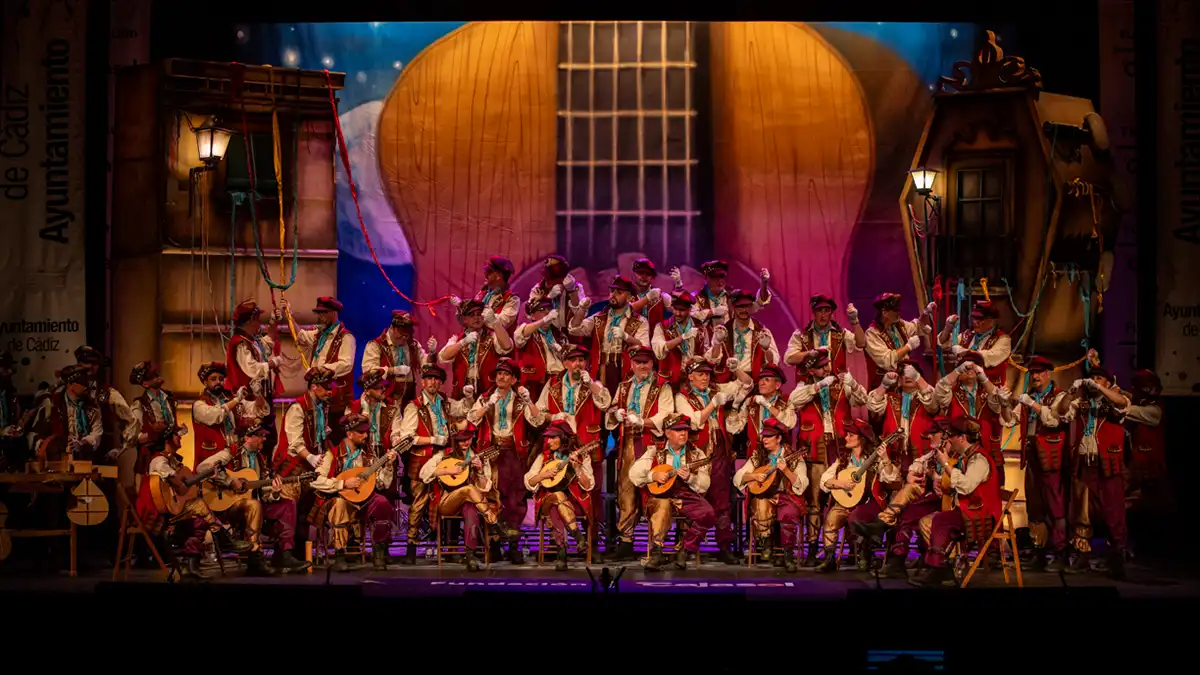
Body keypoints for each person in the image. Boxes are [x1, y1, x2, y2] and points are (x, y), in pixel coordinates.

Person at [789, 349, 869, 565]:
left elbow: (863, 400)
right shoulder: (803, 386)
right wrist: (819, 385)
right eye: (822, 366)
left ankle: (852, 548)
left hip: (840, 446)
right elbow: (794, 400)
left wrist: (852, 383)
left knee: (848, 497)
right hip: (816, 447)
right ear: (811, 370)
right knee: (815, 502)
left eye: (827, 365)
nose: (827, 369)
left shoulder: (841, 382)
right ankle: (813, 548)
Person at [530, 345, 612, 555]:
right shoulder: (553, 384)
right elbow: (538, 415)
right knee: (555, 490)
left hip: (587, 446)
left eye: (581, 360)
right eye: (573, 360)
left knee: (590, 495)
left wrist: (591, 384)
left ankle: (591, 544)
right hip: (559, 448)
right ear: (565, 363)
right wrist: (553, 418)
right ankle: (559, 545)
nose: (578, 364)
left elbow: (605, 403)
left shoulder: (593, 384)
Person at [135, 433, 252, 580]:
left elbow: (186, 486)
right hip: (157, 510)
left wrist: (207, 475)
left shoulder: (172, 460)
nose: (180, 438)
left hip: (171, 508)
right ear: (167, 440)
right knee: (200, 506)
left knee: (199, 518)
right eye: (177, 436)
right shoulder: (159, 460)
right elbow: (179, 484)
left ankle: (191, 564)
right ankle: (222, 538)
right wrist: (183, 484)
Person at [203, 418, 311, 573]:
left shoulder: (262, 460)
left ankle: (283, 554)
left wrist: (274, 493)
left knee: (287, 504)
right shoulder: (231, 453)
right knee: (254, 504)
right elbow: (204, 467)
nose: (264, 438)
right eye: (260, 435)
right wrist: (229, 481)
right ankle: (254, 557)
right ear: (247, 437)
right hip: (231, 507)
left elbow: (263, 493)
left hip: (257, 505)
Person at [675, 360, 753, 565]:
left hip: (719, 450)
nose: (705, 377)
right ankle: (686, 547)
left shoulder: (716, 389)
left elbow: (747, 384)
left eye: (707, 373)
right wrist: (713, 404)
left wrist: (735, 368)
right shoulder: (682, 397)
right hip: (696, 454)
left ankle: (724, 546)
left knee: (722, 501)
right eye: (700, 374)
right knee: (697, 500)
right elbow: (694, 421)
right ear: (690, 376)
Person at [910, 416, 1002, 588]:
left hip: (981, 514)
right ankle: (941, 567)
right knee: (930, 520)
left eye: (951, 436)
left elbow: (966, 486)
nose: (949, 440)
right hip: (970, 510)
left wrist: (945, 463)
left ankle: (937, 569)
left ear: (962, 438)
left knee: (940, 520)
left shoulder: (979, 459)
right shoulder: (967, 457)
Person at [853, 418, 952, 577]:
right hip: (931, 499)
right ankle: (892, 552)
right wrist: (913, 473)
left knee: (905, 511)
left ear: (946, 435)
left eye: (934, 434)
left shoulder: (954, 455)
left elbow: (956, 482)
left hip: (948, 503)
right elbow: (918, 462)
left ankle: (887, 538)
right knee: (909, 495)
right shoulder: (935, 453)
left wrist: (936, 477)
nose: (930, 437)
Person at [997, 355, 1069, 571]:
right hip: (1033, 459)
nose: (1035, 376)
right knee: (1035, 507)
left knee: (1056, 507)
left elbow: (1054, 419)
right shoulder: (1028, 398)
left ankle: (1060, 551)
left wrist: (1033, 405)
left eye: (1039, 372)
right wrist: (1003, 405)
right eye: (1032, 373)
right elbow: (1009, 420)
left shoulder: (1060, 396)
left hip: (1052, 461)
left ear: (1048, 373)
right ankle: (1039, 551)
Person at [604, 346, 674, 561]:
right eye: (638, 362)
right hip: (628, 443)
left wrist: (643, 421)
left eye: (646, 362)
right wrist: (616, 414)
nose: (642, 366)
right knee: (626, 491)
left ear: (653, 363)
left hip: (651, 444)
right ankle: (626, 540)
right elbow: (611, 412)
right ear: (631, 364)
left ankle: (657, 544)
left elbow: (667, 414)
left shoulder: (662, 385)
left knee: (654, 491)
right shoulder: (624, 386)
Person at [396, 363, 472, 564]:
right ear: (422, 383)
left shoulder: (445, 402)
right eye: (429, 378)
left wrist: (469, 396)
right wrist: (432, 439)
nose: (433, 382)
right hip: (421, 460)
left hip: (446, 458)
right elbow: (407, 437)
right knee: (419, 503)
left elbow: (464, 408)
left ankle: (452, 547)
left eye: (437, 379)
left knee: (452, 499)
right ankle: (411, 549)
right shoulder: (414, 406)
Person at [1061, 367, 1131, 578]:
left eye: (1099, 378)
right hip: (1085, 463)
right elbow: (1063, 411)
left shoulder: (1115, 400)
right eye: (1091, 378)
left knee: (1113, 510)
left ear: (1108, 382)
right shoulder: (1081, 403)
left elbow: (1121, 404)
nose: (1093, 381)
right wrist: (1070, 392)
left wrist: (1100, 388)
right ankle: (1082, 556)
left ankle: (1117, 557)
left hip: (1108, 463)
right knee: (1081, 510)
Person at [466, 358, 537, 563]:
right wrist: (488, 404)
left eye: (506, 374)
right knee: (492, 497)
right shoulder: (486, 397)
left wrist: (529, 401)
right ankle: (495, 544)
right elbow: (471, 419)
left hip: (513, 453)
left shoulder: (520, 398)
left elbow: (537, 420)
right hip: (491, 453)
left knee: (515, 500)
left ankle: (513, 546)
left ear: (514, 379)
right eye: (499, 373)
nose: (501, 376)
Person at [309, 413, 399, 572]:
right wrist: (342, 483)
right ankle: (339, 555)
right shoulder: (332, 455)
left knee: (383, 503)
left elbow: (382, 484)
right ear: (349, 434)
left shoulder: (369, 456)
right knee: (340, 503)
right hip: (339, 500)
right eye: (361, 432)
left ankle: (378, 551)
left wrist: (389, 466)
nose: (365, 435)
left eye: (366, 432)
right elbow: (315, 480)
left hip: (363, 500)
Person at [629, 414, 716, 571]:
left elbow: (705, 485)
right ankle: (657, 552)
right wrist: (652, 475)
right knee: (662, 506)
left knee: (708, 513)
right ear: (668, 433)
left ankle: (683, 549)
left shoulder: (696, 454)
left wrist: (690, 477)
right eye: (678, 430)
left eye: (685, 430)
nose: (683, 433)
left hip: (685, 496)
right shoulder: (655, 451)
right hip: (660, 496)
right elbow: (633, 473)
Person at [815, 418, 900, 572]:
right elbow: (825, 480)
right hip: (846, 501)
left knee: (857, 517)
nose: (846, 437)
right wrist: (841, 484)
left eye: (851, 435)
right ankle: (829, 559)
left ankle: (865, 555)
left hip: (869, 502)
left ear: (861, 438)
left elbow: (891, 478)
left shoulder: (875, 460)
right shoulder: (844, 460)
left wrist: (886, 459)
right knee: (831, 519)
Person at [419, 421, 498, 571]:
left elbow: (485, 487)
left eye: (468, 439)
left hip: (471, 502)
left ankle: (470, 556)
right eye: (461, 440)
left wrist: (480, 471)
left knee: (472, 512)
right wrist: (446, 471)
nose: (465, 443)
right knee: (468, 489)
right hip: (447, 502)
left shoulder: (478, 457)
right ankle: (493, 520)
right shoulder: (444, 455)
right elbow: (423, 473)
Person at [733, 418, 808, 571]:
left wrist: (786, 470)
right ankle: (766, 543)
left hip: (787, 496)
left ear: (779, 438)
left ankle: (787, 556)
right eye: (764, 436)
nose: (764, 439)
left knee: (788, 513)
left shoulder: (794, 457)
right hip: (765, 497)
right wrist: (753, 476)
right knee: (760, 505)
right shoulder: (758, 455)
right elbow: (738, 477)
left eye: (769, 436)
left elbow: (802, 483)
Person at [524, 420, 594, 570]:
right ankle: (577, 536)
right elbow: (530, 481)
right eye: (548, 438)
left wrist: (576, 468)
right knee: (556, 495)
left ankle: (561, 552)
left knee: (558, 503)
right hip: (546, 501)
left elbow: (588, 485)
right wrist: (543, 475)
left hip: (574, 504)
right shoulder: (544, 457)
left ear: (563, 438)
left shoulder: (581, 456)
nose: (548, 441)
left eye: (552, 437)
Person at [568, 275, 650, 395]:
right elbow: (574, 329)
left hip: (626, 371)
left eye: (619, 292)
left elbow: (645, 348)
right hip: (601, 370)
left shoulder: (639, 321)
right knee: (600, 405)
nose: (613, 295)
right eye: (612, 291)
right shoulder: (599, 317)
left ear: (630, 298)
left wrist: (627, 337)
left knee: (621, 407)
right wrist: (581, 310)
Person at [932, 352, 1009, 472]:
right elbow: (940, 390)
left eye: (975, 365)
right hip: (958, 454)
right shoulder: (952, 392)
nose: (970, 368)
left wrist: (983, 377)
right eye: (966, 366)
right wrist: (957, 371)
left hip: (987, 452)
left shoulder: (988, 392)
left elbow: (998, 404)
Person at [290, 296, 357, 429]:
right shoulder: (319, 335)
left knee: (335, 434)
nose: (320, 316)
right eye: (319, 313)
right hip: (318, 396)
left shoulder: (346, 337)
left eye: (323, 313)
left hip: (336, 400)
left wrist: (320, 369)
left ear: (334, 313)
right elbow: (300, 336)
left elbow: (346, 365)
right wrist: (289, 315)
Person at [866, 360, 939, 468]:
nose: (907, 377)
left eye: (911, 373)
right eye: (903, 374)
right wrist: (884, 385)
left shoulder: (925, 398)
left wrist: (918, 378)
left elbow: (934, 404)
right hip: (893, 457)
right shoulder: (890, 398)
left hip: (921, 459)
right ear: (899, 379)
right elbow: (873, 406)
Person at [192, 362, 267, 465]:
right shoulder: (199, 405)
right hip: (212, 459)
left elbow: (257, 409)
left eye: (221, 379)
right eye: (213, 379)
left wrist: (258, 394)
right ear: (205, 382)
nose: (218, 382)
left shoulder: (229, 399)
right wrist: (237, 399)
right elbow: (217, 415)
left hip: (234, 455)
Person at [439, 298, 515, 399]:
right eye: (472, 315)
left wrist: (495, 323)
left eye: (479, 314)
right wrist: (463, 342)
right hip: (462, 392)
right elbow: (444, 356)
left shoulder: (491, 336)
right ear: (464, 319)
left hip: (487, 391)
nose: (477, 318)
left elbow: (507, 346)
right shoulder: (458, 338)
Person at [784, 294, 867, 380]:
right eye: (819, 310)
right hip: (810, 385)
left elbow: (861, 343)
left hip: (836, 385)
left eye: (827, 310)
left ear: (831, 313)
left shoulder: (841, 333)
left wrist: (855, 322)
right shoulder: (801, 334)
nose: (823, 315)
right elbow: (789, 359)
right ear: (814, 312)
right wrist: (811, 353)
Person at [863, 292, 936, 390]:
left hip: (905, 377)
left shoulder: (898, 325)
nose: (899, 313)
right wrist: (908, 347)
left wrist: (925, 313)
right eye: (895, 310)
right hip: (887, 383)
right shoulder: (872, 334)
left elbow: (916, 327)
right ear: (885, 313)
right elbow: (886, 360)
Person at [361, 310, 431, 408]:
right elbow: (368, 371)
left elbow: (426, 364)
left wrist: (432, 353)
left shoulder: (412, 344)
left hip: (407, 401)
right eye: (401, 334)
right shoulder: (376, 345)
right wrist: (392, 370)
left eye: (406, 335)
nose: (404, 338)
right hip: (384, 400)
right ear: (392, 328)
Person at [707, 289, 780, 383]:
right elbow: (713, 361)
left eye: (748, 306)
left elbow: (773, 363)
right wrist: (717, 343)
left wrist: (766, 350)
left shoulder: (762, 331)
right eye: (740, 306)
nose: (744, 310)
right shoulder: (723, 331)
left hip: (754, 382)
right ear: (733, 307)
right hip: (728, 382)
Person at [938, 300, 1011, 388]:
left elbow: (988, 357)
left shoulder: (1003, 339)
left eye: (980, 319)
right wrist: (948, 327)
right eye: (974, 318)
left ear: (991, 321)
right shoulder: (968, 335)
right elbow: (944, 343)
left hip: (989, 390)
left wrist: (964, 351)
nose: (975, 322)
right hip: (965, 388)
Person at [725, 363, 797, 453]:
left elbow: (790, 423)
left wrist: (767, 405)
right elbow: (733, 428)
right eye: (760, 379)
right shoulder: (751, 402)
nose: (761, 383)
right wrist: (735, 406)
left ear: (777, 385)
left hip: (779, 455)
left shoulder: (786, 402)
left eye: (766, 380)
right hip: (754, 454)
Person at [224, 299, 283, 405]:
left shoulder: (251, 341)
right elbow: (253, 369)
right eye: (257, 320)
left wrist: (273, 321)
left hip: (256, 400)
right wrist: (273, 363)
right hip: (246, 404)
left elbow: (268, 342)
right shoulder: (240, 343)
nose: (259, 323)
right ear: (249, 322)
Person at [129, 361, 182, 476]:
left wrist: (176, 434)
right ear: (145, 384)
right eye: (152, 375)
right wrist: (153, 432)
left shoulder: (169, 400)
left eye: (156, 373)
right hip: (151, 459)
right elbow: (134, 438)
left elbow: (172, 426)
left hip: (170, 455)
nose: (157, 375)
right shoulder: (139, 405)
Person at [513, 296, 564, 404]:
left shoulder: (559, 335)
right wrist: (544, 320)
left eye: (549, 309)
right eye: (541, 310)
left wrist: (562, 353)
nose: (547, 312)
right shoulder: (527, 331)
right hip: (536, 383)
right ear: (532, 315)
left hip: (557, 381)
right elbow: (520, 335)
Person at [651, 291, 707, 385]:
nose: (677, 313)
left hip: (692, 380)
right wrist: (682, 337)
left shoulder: (699, 327)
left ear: (689, 309)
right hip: (670, 379)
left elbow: (705, 353)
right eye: (675, 309)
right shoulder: (662, 327)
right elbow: (659, 349)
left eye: (682, 310)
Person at [453, 255, 520, 330]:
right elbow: (468, 322)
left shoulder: (512, 299)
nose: (485, 274)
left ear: (498, 276)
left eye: (488, 271)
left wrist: (477, 313)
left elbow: (503, 323)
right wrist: (461, 307)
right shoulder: (483, 293)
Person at [525, 255, 588, 334]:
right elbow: (530, 315)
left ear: (563, 277)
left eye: (552, 279)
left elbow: (582, 316)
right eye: (547, 278)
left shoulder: (577, 287)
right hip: (547, 335)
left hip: (570, 335)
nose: (548, 283)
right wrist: (548, 298)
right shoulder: (538, 289)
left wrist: (572, 292)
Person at [629, 257, 668, 333]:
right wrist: (648, 298)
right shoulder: (626, 294)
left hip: (654, 341)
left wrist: (678, 287)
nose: (644, 276)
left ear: (653, 277)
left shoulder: (660, 296)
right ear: (633, 274)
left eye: (648, 274)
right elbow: (624, 311)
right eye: (640, 273)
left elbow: (678, 309)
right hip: (632, 341)